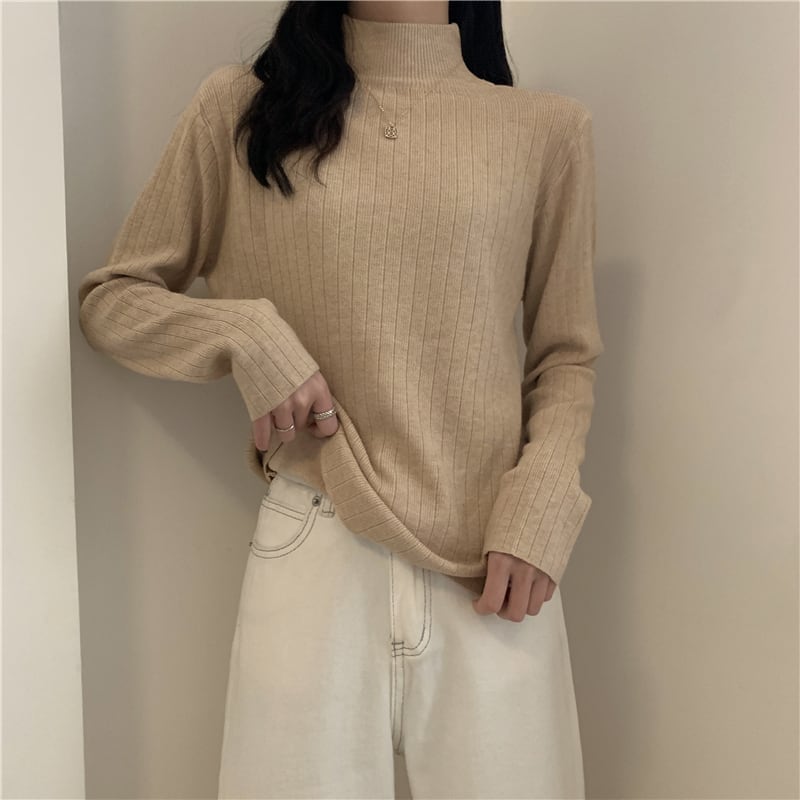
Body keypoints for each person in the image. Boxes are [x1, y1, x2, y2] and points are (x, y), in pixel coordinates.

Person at [76, 1, 604, 797]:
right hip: (315, 547)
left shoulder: (545, 130)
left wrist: (542, 506)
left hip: (496, 564)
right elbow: (114, 301)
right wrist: (247, 335)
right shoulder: (243, 109)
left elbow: (565, 355)